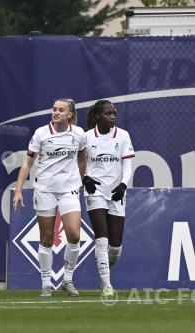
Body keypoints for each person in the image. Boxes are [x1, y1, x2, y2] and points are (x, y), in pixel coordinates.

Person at [12, 98, 86, 297]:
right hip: (44, 189)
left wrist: (80, 179)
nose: (56, 112)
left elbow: (82, 157)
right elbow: (27, 163)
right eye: (54, 109)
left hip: (69, 189)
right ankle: (46, 283)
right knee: (46, 238)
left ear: (70, 114)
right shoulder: (41, 134)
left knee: (74, 234)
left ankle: (67, 280)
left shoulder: (78, 134)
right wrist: (18, 189)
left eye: (61, 110)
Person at [83, 100, 134, 297]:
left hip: (117, 193)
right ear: (97, 116)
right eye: (108, 114)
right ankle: (106, 285)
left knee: (115, 248)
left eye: (114, 113)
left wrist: (123, 185)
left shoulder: (123, 136)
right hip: (95, 191)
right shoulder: (86, 137)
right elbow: (80, 162)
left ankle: (105, 270)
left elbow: (128, 165)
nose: (112, 117)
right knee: (101, 239)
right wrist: (85, 177)